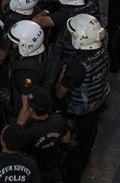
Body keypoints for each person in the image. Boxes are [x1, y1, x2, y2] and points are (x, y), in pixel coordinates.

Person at [56, 14, 109, 182]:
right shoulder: (101, 51)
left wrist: (61, 76)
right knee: (87, 141)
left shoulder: (77, 66)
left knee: (74, 150)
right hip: (96, 105)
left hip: (77, 114)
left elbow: (60, 93)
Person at [18, 86, 70, 182]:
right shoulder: (58, 120)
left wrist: (19, 124)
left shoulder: (27, 131)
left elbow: (14, 147)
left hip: (35, 175)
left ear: (30, 108)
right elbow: (66, 140)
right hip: (54, 172)